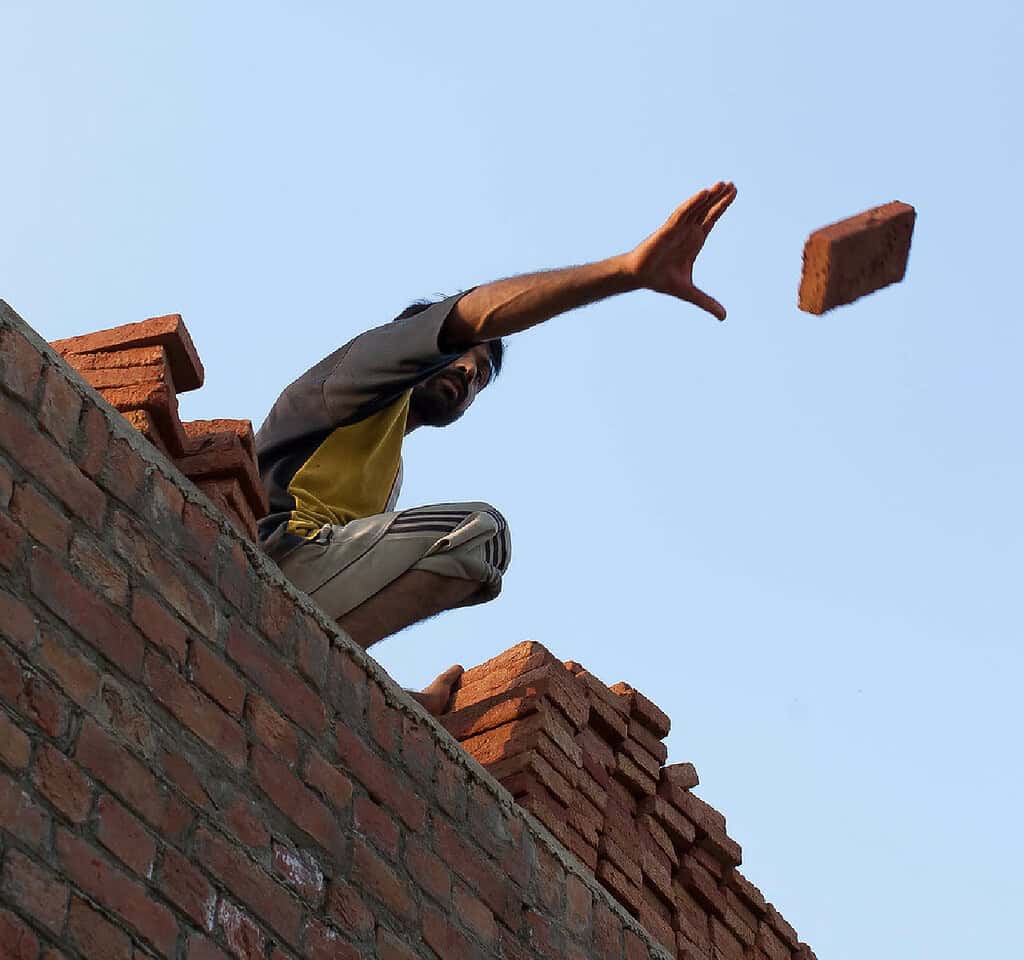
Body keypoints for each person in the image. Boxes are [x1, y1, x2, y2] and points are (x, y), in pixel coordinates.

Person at [255, 181, 737, 713]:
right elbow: (473, 313)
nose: (468, 372)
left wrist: (412, 702)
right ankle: (305, 650)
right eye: (463, 355)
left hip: (297, 585)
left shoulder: (386, 467)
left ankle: (316, 660)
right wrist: (626, 271)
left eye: (482, 376)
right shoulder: (356, 374)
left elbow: (354, 583)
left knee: (470, 551)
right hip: (270, 555)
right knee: (479, 533)